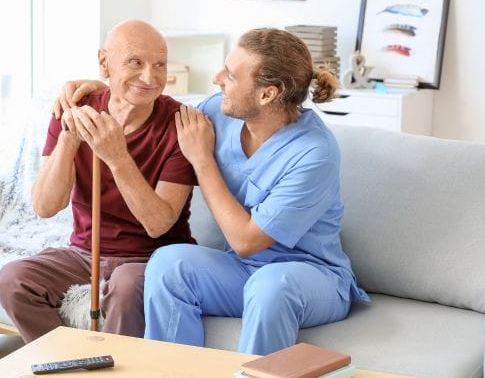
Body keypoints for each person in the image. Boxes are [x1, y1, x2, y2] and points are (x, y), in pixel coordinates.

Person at [56, 27, 370, 356]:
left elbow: (246, 241)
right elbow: (158, 107)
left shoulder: (314, 154)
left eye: (231, 75)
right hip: (241, 272)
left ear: (267, 94)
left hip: (311, 277)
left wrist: (202, 160)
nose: (217, 78)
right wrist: (101, 89)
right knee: (168, 263)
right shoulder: (220, 113)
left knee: (271, 287)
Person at [0, 20, 197, 343]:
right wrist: (69, 139)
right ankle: (64, 364)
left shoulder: (181, 125)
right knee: (13, 279)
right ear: (104, 63)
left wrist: (116, 156)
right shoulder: (75, 108)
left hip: (152, 256)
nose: (150, 77)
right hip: (83, 253)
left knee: (128, 284)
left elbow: (158, 224)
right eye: (135, 62)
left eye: (159, 65)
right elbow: (45, 206)